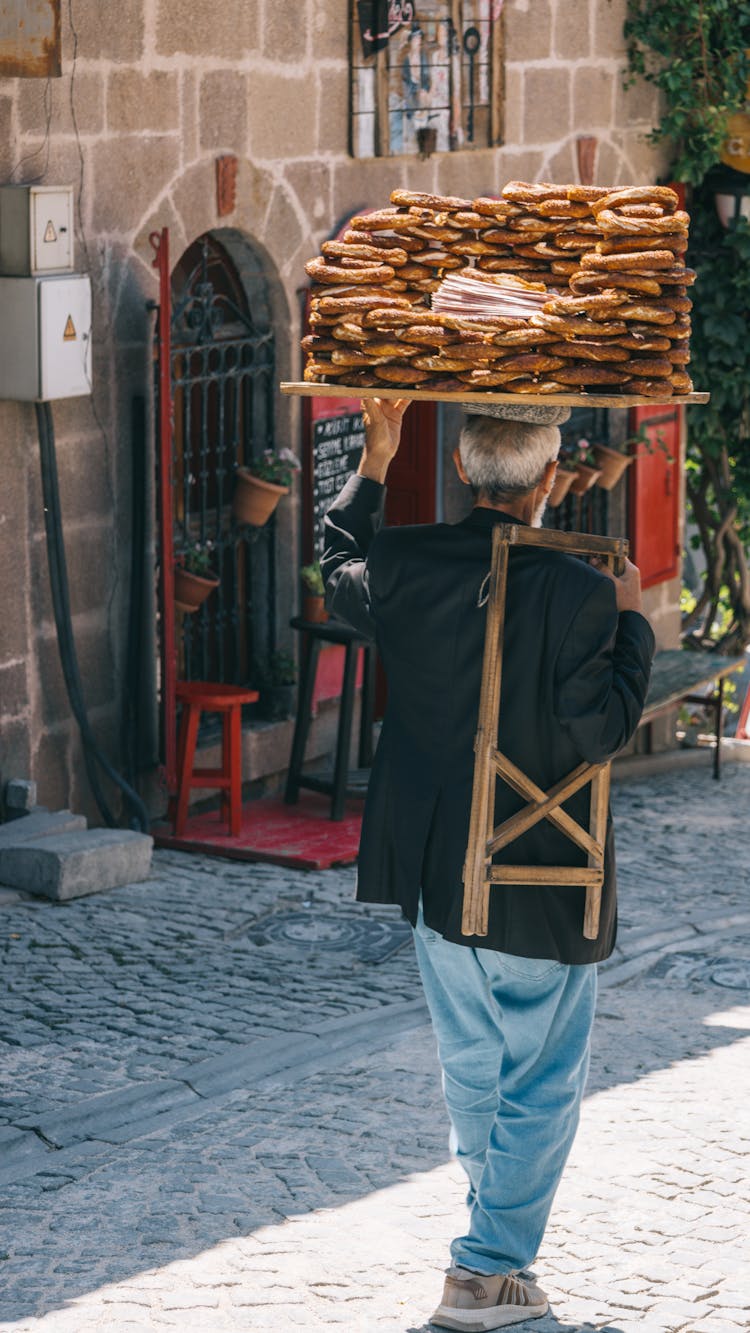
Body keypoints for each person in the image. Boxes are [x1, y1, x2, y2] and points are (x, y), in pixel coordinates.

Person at [322, 398, 655, 1330]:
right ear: (548, 481)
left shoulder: (409, 561)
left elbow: (336, 561)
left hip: (438, 869)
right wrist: (631, 623)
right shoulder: (583, 584)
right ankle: (485, 1268)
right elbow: (600, 728)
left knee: (474, 1067)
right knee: (540, 1082)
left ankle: (491, 1255)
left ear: (466, 474)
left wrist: (377, 459)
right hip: (545, 869)